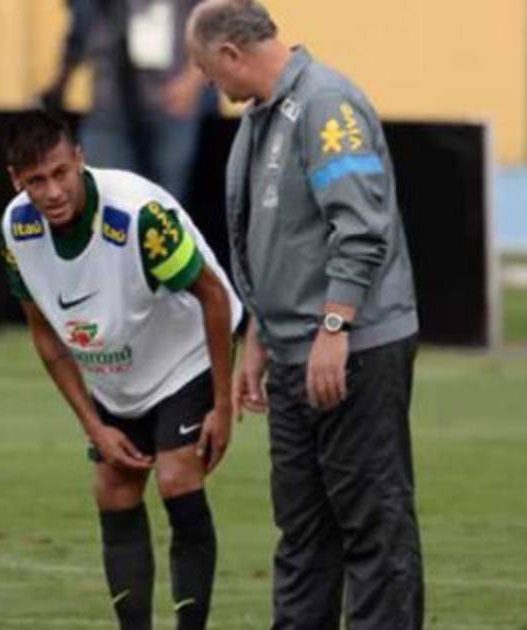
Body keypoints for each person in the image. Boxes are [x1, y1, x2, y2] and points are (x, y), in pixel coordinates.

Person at [186, 1, 424, 628]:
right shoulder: (261, 116)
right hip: (293, 350)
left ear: (231, 53)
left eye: (207, 69)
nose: (207, 83)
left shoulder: (327, 104)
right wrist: (259, 337)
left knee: (373, 525)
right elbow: (278, 241)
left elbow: (361, 227)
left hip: (353, 349)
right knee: (301, 533)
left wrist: (335, 327)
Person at [0, 111, 241, 630]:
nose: (53, 192)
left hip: (186, 354)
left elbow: (215, 298)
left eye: (61, 173)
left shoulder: (138, 218)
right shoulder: (16, 229)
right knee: (114, 487)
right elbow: (46, 336)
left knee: (176, 477)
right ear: (16, 180)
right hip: (115, 372)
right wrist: (93, 427)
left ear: (79, 159)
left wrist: (224, 405)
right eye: (37, 180)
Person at [40, 0, 219, 205]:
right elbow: (82, 19)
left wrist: (193, 79)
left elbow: (220, 14)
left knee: (164, 203)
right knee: (105, 195)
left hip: (173, 94)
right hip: (110, 97)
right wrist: (61, 82)